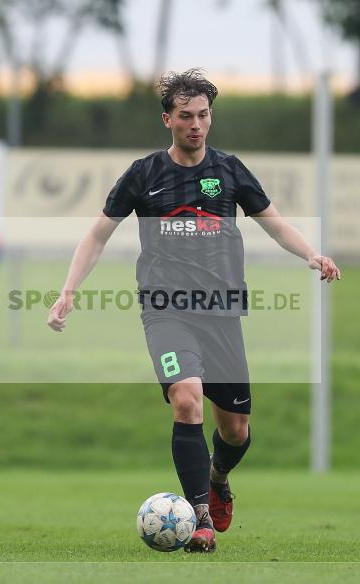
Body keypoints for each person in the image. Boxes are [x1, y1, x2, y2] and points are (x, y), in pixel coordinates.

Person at [46, 69, 341, 553]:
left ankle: (217, 476)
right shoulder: (144, 174)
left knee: (236, 429)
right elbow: (97, 234)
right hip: (165, 310)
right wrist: (67, 291)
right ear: (168, 119)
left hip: (222, 312)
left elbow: (274, 223)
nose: (196, 125)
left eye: (203, 115)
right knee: (187, 398)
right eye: (186, 116)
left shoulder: (228, 171)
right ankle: (199, 518)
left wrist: (311, 253)